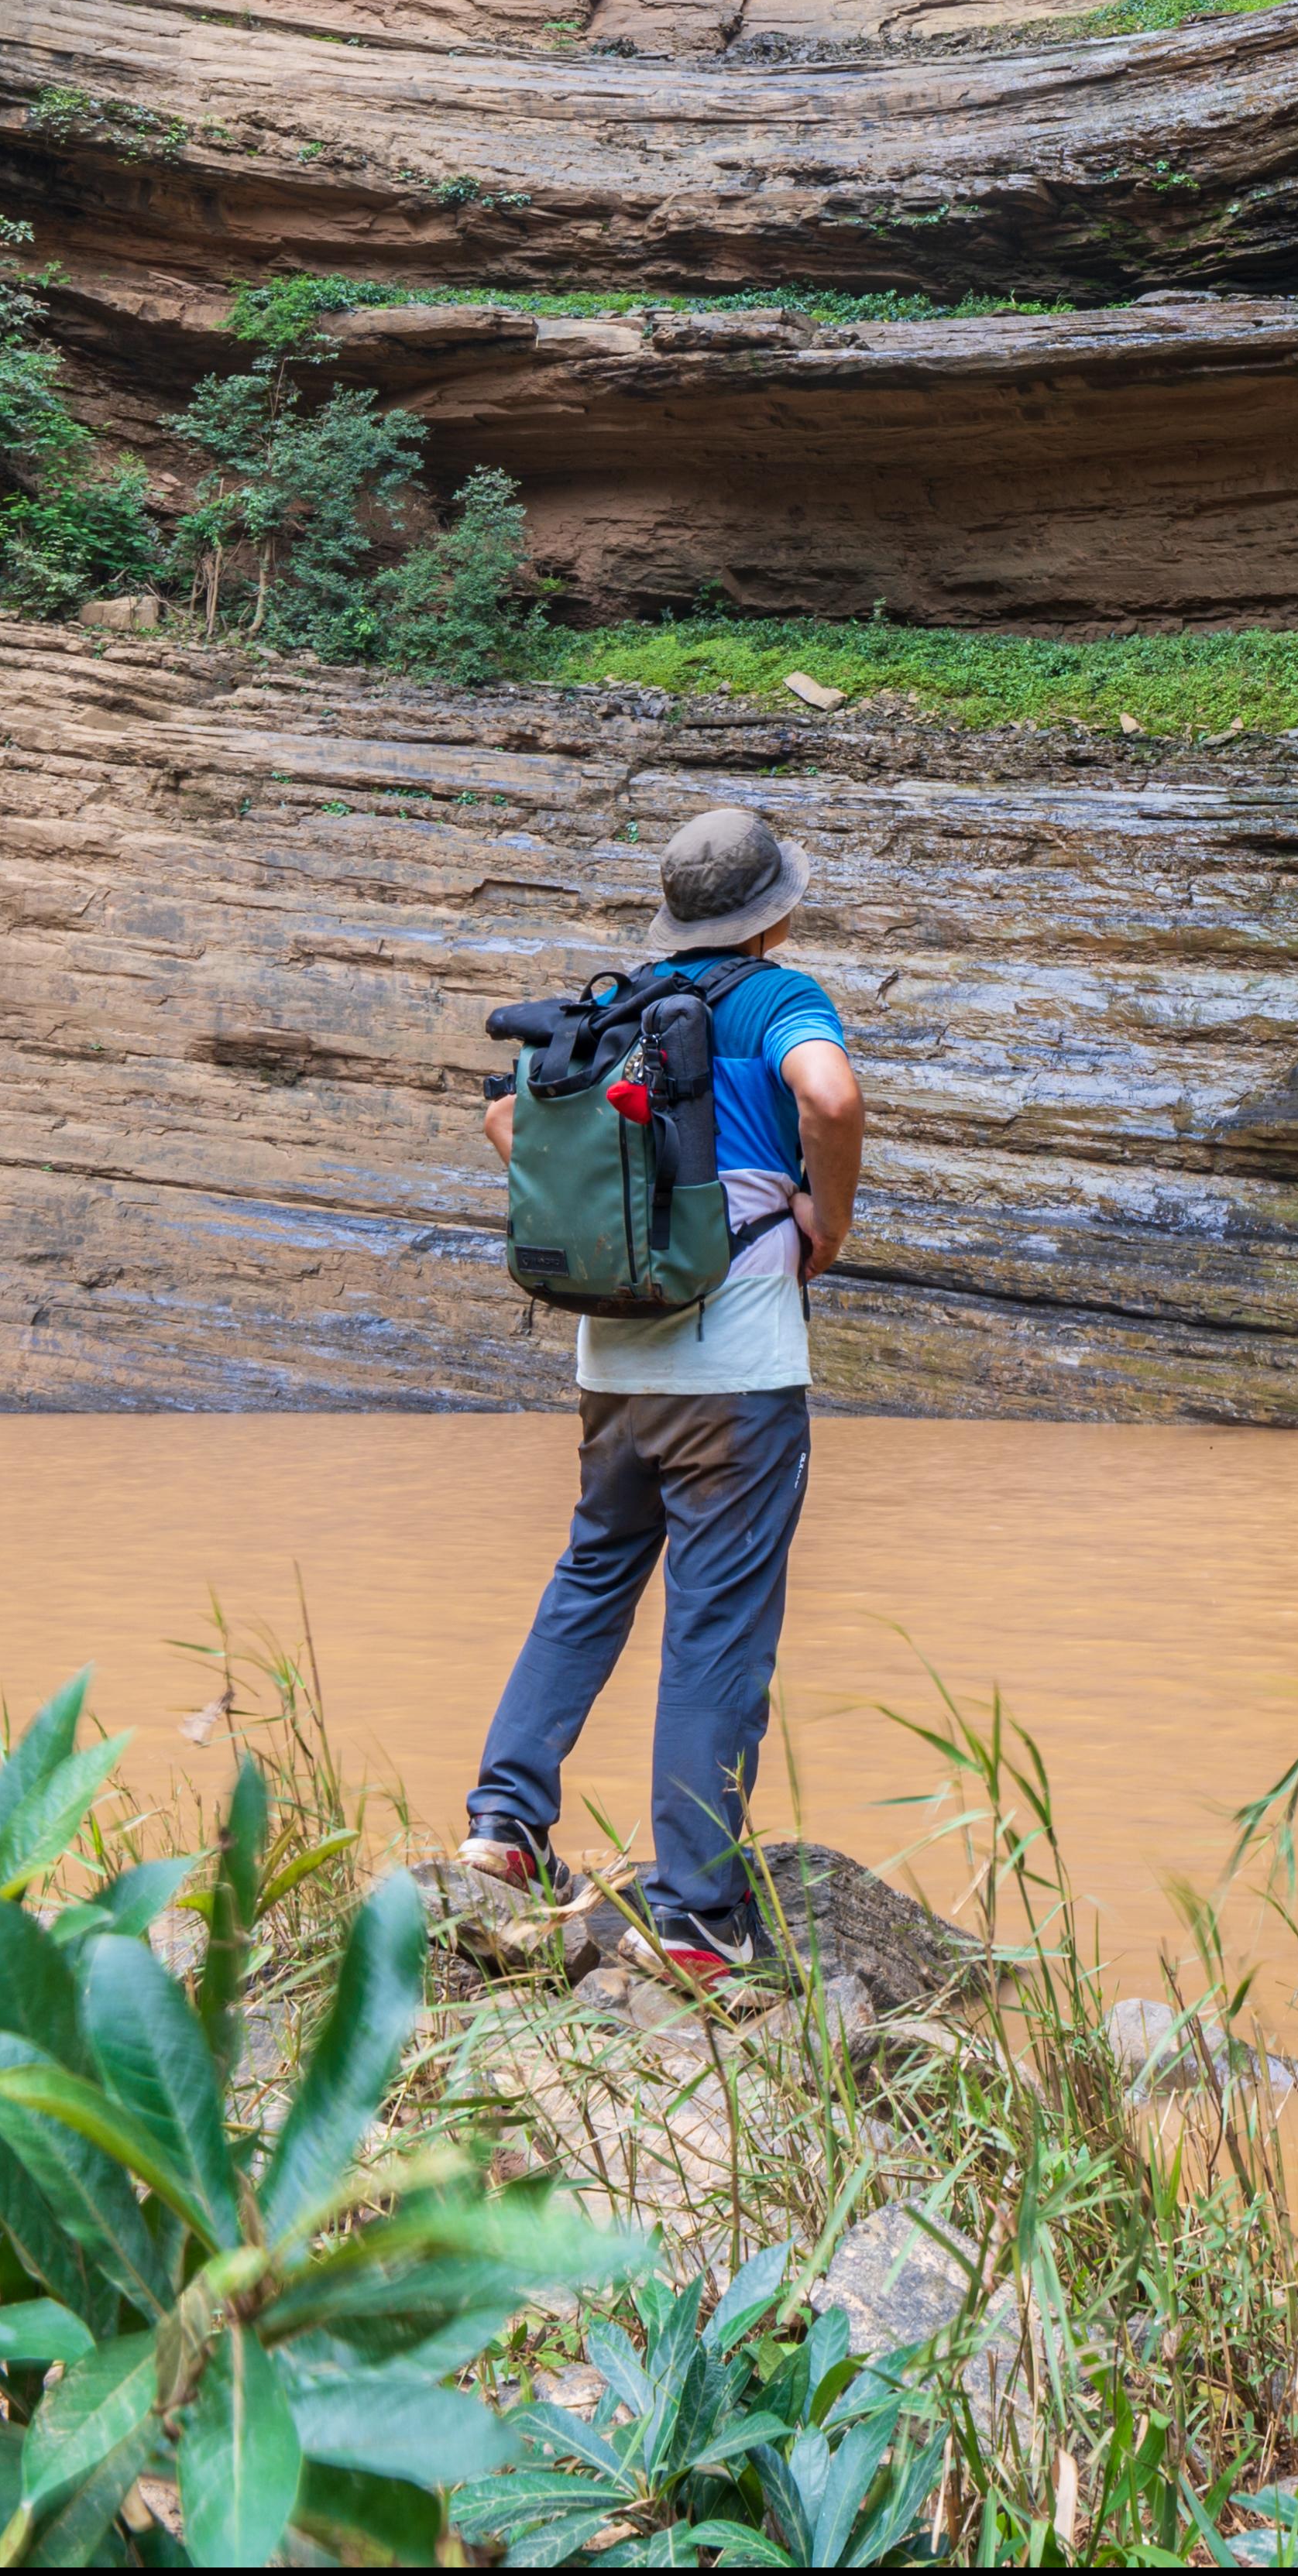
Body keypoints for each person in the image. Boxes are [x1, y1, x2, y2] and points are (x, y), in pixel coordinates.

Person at [458, 804, 863, 1985]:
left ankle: (504, 1827)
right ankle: (696, 1916)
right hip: (734, 1375)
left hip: (613, 1363)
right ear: (776, 910)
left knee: (592, 1575)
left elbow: (504, 1120)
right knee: (715, 1626)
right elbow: (829, 1100)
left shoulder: (614, 1004)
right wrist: (823, 1220)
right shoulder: (775, 998)